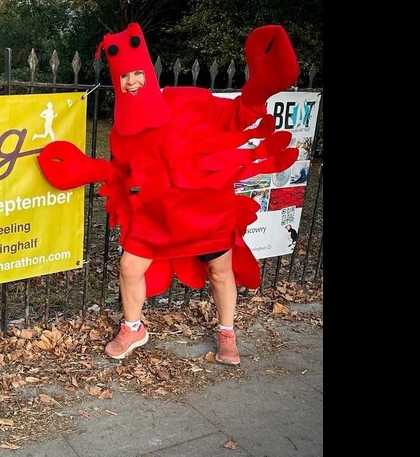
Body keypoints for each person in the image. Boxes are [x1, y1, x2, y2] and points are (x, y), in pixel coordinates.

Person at [37, 23, 299, 365]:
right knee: (129, 267)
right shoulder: (120, 132)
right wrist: (91, 169)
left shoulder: (189, 99)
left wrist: (261, 88)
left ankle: (227, 332)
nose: (131, 82)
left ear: (147, 69)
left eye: (136, 73)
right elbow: (125, 174)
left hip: (206, 213)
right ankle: (133, 327)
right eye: (124, 77)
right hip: (156, 219)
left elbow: (238, 115)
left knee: (220, 272)